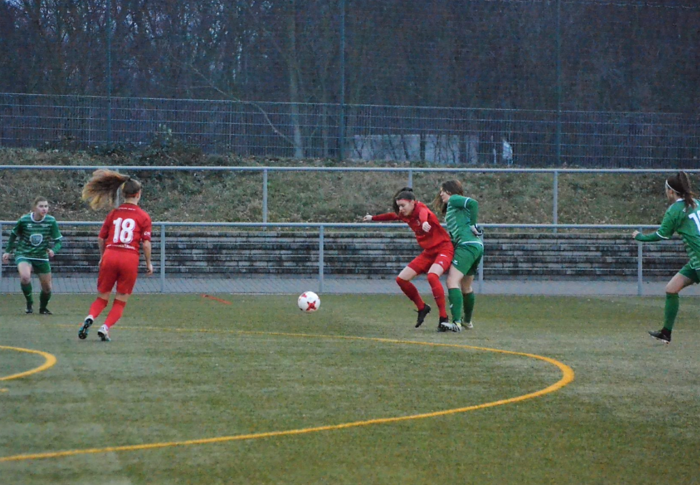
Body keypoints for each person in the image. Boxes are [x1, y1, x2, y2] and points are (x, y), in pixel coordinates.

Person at [362, 187, 454, 329]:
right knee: (401, 279)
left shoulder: (420, 209)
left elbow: (424, 213)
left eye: (403, 205)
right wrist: (372, 218)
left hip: (444, 248)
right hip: (429, 252)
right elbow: (391, 216)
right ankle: (422, 307)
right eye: (399, 206)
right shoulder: (406, 214)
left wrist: (424, 223)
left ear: (412, 202)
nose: (401, 209)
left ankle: (443, 317)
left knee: (432, 276)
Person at [78, 170, 153, 342]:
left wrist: (102, 256)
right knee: (120, 301)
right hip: (129, 258)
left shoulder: (113, 213)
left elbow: (101, 237)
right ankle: (105, 328)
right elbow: (146, 243)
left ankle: (89, 317)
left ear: (123, 193)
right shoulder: (143, 216)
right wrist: (149, 263)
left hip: (110, 255)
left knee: (102, 297)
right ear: (138, 194)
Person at [633, 171, 700, 344]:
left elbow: (662, 235)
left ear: (671, 191)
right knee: (671, 289)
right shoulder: (695, 204)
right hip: (695, 262)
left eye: (665, 189)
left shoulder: (675, 210)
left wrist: (640, 237)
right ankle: (666, 332)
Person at [433, 180, 484, 332]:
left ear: (450, 191)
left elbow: (473, 203)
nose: (440, 194)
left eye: (443, 190)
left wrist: (473, 225)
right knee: (466, 286)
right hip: (476, 246)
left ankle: (456, 323)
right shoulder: (454, 208)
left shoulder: (454, 199)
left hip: (467, 245)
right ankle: (467, 322)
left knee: (451, 281)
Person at [2, 196, 63, 314]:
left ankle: (42, 308)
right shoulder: (24, 220)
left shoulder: (51, 221)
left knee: (47, 288)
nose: (44, 209)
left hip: (41, 256)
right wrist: (8, 251)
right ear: (34, 208)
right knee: (25, 277)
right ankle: (29, 302)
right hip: (24, 253)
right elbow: (13, 235)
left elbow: (58, 241)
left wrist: (53, 250)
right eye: (41, 206)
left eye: (46, 206)